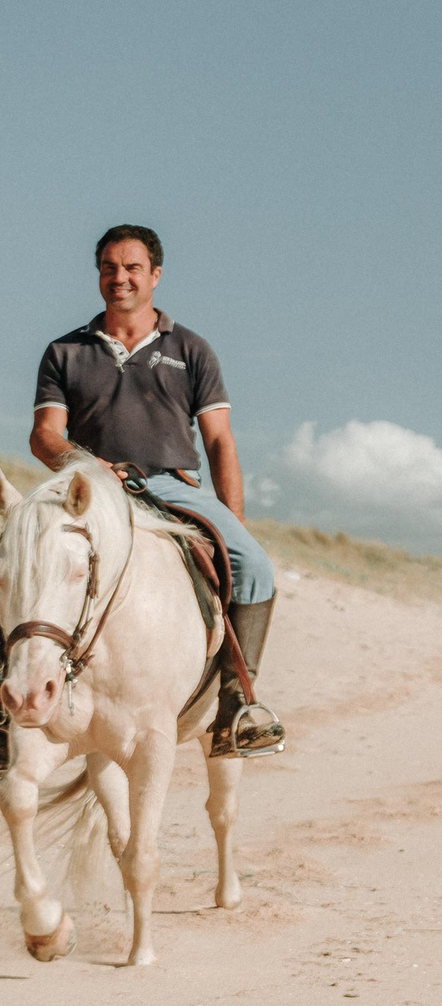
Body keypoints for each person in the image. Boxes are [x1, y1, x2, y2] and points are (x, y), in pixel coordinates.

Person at [25, 225, 285, 760]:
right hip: (90, 488)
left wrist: (232, 522)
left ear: (155, 275)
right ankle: (9, 711)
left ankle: (236, 704)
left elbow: (219, 441)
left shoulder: (191, 349)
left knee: (255, 566)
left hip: (170, 484)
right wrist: (94, 468)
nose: (119, 277)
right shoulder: (65, 351)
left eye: (132, 268)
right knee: (20, 555)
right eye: (109, 268)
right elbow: (45, 436)